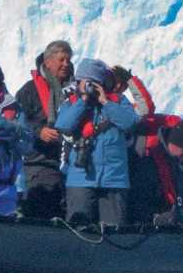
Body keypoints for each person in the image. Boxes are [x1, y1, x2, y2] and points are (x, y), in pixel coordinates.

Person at [57, 58, 140, 227]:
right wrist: (83, 101)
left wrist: (105, 102)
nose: (89, 87)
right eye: (85, 82)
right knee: (78, 230)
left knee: (114, 233)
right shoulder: (72, 102)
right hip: (80, 179)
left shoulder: (118, 101)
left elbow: (130, 123)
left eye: (94, 83)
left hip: (114, 179)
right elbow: (63, 125)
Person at [14, 40, 76, 220]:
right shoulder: (29, 91)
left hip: (72, 165)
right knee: (42, 212)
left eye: (68, 60)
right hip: (40, 163)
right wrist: (38, 131)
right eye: (61, 60)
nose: (66, 64)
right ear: (48, 62)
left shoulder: (76, 89)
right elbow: (16, 124)